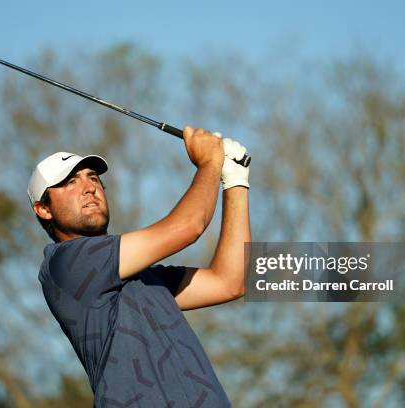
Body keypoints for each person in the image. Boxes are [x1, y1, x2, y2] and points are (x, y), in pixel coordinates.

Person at [27, 127, 250, 407]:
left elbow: (230, 282)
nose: (89, 187)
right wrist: (210, 162)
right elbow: (187, 227)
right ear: (43, 209)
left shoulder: (142, 277)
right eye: (70, 182)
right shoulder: (66, 263)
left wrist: (235, 183)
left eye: (93, 178)